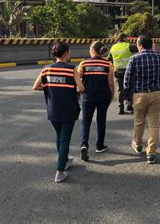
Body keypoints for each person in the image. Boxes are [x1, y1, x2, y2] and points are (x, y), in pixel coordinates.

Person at [32, 42, 84, 183]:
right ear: (66, 53)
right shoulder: (72, 69)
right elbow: (81, 88)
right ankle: (59, 171)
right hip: (68, 109)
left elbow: (36, 87)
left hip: (53, 109)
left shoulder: (46, 69)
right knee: (65, 138)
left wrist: (51, 87)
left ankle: (65, 160)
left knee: (59, 135)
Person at [123, 35, 160, 164]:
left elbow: (127, 79)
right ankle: (151, 153)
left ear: (140, 45)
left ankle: (137, 144)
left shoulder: (134, 59)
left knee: (139, 121)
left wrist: (127, 97)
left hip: (139, 95)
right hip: (156, 93)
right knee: (154, 124)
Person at [78, 41, 115, 161]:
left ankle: (84, 144)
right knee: (101, 119)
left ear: (93, 50)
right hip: (103, 96)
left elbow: (78, 80)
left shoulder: (83, 64)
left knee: (86, 122)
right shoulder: (108, 64)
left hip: (87, 96)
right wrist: (111, 95)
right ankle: (99, 145)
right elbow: (110, 83)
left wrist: (78, 93)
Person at [109, 33, 138, 115]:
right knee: (130, 88)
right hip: (128, 71)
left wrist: (114, 66)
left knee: (120, 90)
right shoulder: (128, 46)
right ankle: (129, 105)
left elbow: (109, 58)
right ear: (124, 38)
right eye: (127, 38)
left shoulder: (113, 47)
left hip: (118, 71)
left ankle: (120, 107)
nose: (128, 39)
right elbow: (139, 49)